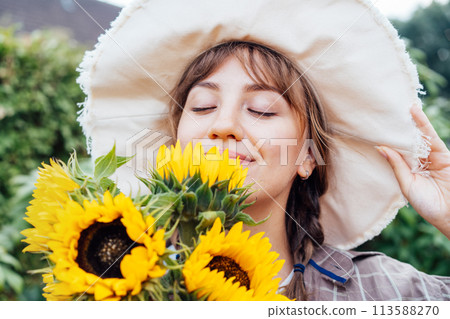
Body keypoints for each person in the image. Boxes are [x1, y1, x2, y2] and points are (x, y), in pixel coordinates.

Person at [77, 0, 450, 300]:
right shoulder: (108, 282)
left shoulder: (382, 292)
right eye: (203, 106)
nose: (223, 125)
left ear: (306, 157)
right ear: (175, 144)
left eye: (262, 110)